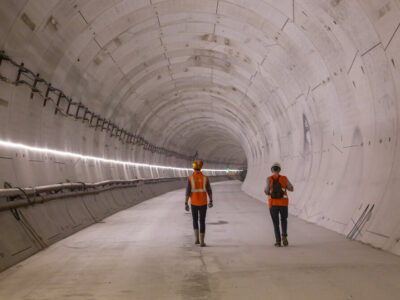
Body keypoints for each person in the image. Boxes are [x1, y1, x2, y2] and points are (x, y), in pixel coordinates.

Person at [264, 162, 294, 247]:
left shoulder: (268, 179)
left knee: (275, 223)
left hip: (273, 204)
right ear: (279, 170)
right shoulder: (284, 178)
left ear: (272, 170)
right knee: (284, 220)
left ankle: (278, 242)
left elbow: (266, 191)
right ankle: (284, 235)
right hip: (283, 203)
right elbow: (291, 188)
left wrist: (270, 191)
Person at [185, 159, 213, 247]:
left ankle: (196, 239)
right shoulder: (205, 178)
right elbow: (209, 190)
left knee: (195, 220)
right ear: (201, 167)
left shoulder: (190, 178)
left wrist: (186, 203)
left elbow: (187, 192)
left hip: (193, 203)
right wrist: (211, 200)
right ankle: (202, 242)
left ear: (193, 167)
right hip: (203, 203)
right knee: (202, 221)